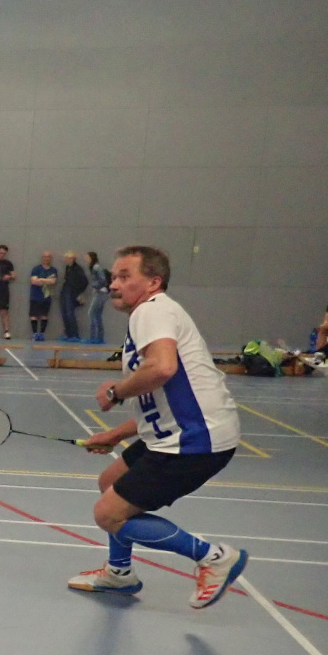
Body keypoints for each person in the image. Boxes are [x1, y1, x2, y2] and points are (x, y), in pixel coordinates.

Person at [68, 245, 246, 608]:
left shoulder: (152, 310)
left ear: (153, 282)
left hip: (196, 440)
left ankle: (213, 557)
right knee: (110, 483)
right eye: (113, 277)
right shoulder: (152, 313)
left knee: (108, 513)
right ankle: (119, 574)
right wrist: (117, 433)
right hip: (177, 432)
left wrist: (116, 392)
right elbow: (163, 398)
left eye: (124, 277)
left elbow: (162, 369)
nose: (114, 285)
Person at [58, 251, 87, 342]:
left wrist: (79, 292)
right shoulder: (68, 268)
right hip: (65, 290)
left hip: (72, 292)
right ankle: (68, 334)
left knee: (70, 313)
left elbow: (85, 281)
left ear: (72, 259)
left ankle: (74, 335)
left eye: (67, 258)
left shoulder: (78, 269)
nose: (66, 260)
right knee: (64, 313)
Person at [28, 251, 57, 340]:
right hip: (35, 295)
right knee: (34, 315)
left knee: (44, 315)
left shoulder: (53, 270)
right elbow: (33, 281)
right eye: (45, 257)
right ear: (42, 258)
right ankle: (35, 333)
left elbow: (53, 282)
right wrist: (46, 280)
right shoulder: (36, 269)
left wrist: (40, 280)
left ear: (50, 258)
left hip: (46, 296)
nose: (46, 258)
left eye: (48, 257)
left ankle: (41, 334)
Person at [85, 250, 111, 344]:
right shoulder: (95, 267)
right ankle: (99, 337)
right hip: (103, 292)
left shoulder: (96, 267)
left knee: (92, 313)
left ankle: (93, 337)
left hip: (100, 292)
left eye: (87, 257)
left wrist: (95, 286)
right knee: (97, 315)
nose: (86, 259)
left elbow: (102, 280)